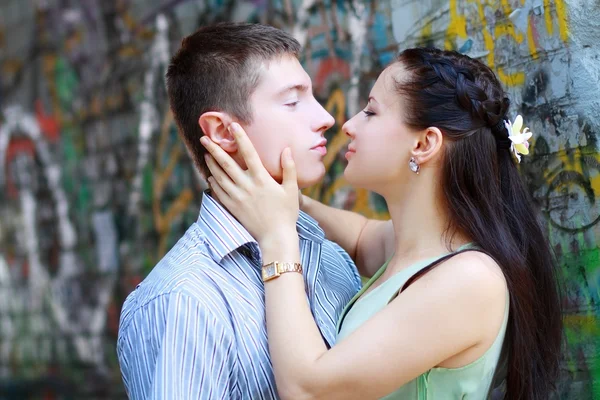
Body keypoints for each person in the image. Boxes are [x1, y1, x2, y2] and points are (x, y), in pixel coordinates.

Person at [202, 47, 563, 399]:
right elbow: (359, 237)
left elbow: (309, 389)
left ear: (424, 143)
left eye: (371, 112)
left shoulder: (469, 280)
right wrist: (289, 201)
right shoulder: (417, 247)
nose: (347, 125)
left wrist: (277, 236)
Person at [116, 22, 362, 399]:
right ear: (223, 132)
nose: (326, 118)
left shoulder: (329, 256)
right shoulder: (185, 300)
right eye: (293, 101)